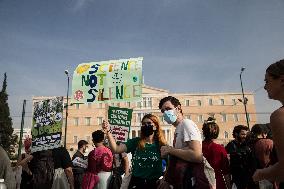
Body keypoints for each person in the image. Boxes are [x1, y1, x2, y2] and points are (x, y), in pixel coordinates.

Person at [158, 96, 214, 188]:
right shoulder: (178, 128)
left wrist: (170, 150)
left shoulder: (186, 124)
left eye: (168, 109)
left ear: (178, 108)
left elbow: (197, 155)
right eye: (163, 111)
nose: (165, 113)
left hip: (192, 180)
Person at [103, 114, 167, 189]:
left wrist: (164, 179)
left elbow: (170, 165)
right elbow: (116, 149)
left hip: (155, 183)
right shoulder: (135, 142)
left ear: (156, 126)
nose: (146, 125)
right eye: (143, 124)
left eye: (149, 123)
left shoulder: (161, 145)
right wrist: (108, 133)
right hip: (137, 182)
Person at [253, 59, 284, 188]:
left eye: (267, 81)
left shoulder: (279, 116)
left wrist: (261, 174)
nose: (265, 86)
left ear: (282, 80)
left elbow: (283, 169)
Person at [202, 117, 231, 189]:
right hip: (217, 182)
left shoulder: (198, 147)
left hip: (201, 181)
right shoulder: (220, 149)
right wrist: (229, 187)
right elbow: (226, 171)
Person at [225, 125, 252, 189]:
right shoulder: (230, 146)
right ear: (236, 134)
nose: (245, 136)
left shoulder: (248, 146)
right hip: (236, 180)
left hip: (248, 179)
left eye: (245, 134)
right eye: (242, 134)